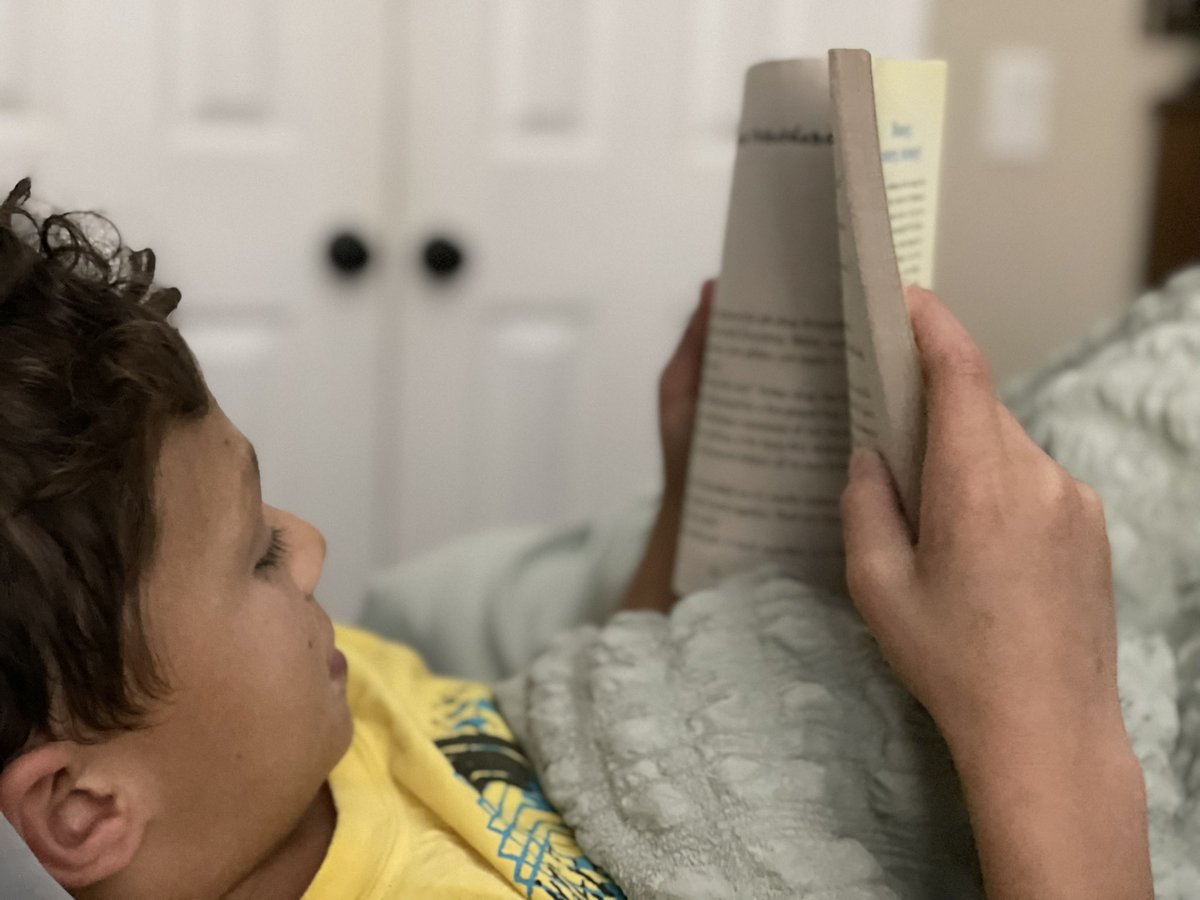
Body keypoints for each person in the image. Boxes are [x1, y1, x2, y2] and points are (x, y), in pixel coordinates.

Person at [0, 178, 1151, 899]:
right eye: (256, 555)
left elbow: (570, 765)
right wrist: (1048, 719)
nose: (310, 547)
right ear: (86, 808)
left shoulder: (319, 732)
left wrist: (689, 492)